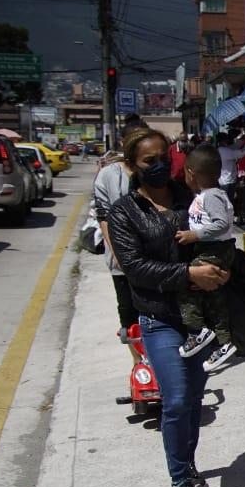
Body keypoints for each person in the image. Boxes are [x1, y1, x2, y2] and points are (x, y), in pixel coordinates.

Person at [106, 129, 231, 487]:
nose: (160, 165)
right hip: (159, 318)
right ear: (132, 165)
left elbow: (220, 229)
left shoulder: (190, 196)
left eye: (164, 156)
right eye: (149, 161)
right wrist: (189, 275)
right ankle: (180, 480)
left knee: (193, 398)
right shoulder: (124, 212)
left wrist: (223, 269)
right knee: (175, 399)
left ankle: (188, 466)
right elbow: (136, 269)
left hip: (201, 318)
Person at [175, 145, 240, 372]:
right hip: (215, 249)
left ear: (191, 172)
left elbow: (221, 223)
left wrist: (195, 235)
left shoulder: (211, 196)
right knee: (215, 300)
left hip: (212, 249)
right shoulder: (211, 194)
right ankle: (224, 343)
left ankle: (197, 331)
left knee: (187, 288)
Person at [93, 145, 138, 352]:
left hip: (152, 261)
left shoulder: (154, 175)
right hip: (121, 262)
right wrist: (119, 253)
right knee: (128, 309)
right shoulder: (108, 175)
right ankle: (137, 360)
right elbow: (103, 216)